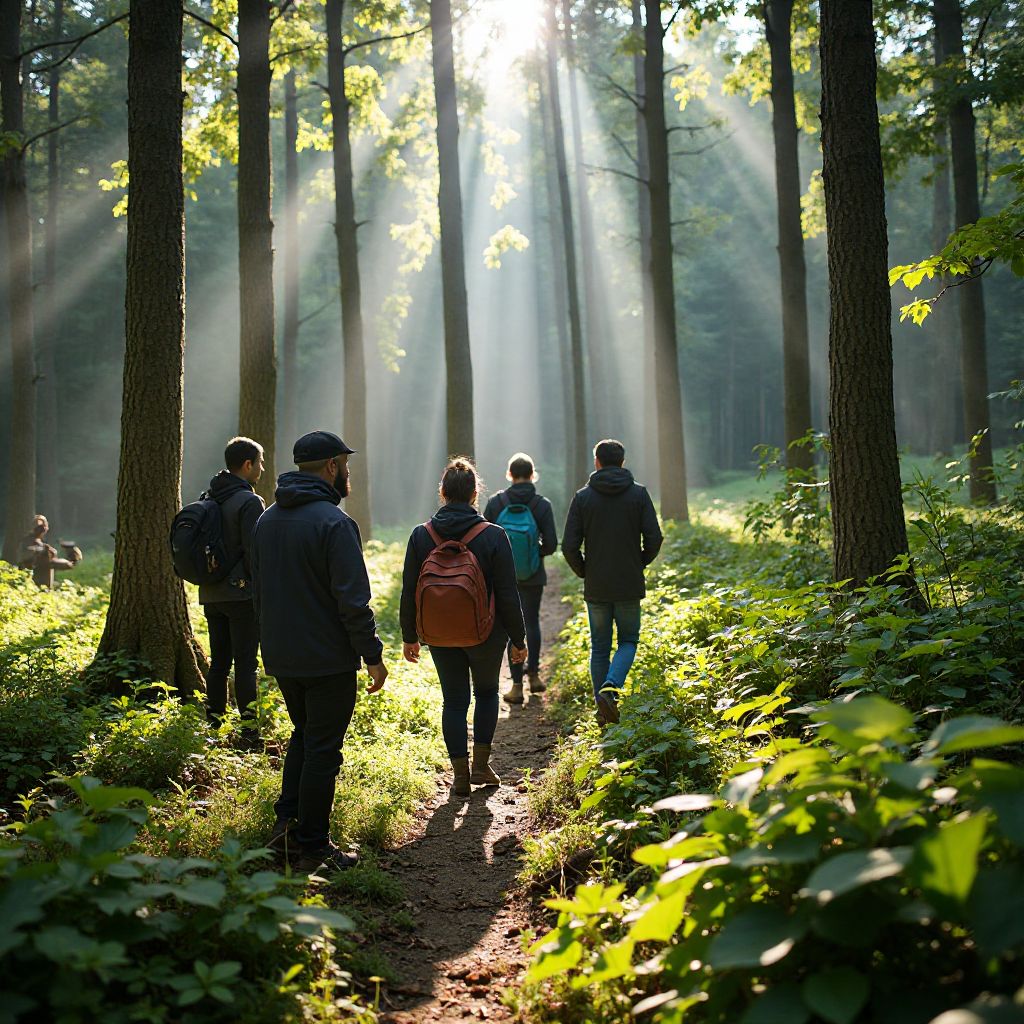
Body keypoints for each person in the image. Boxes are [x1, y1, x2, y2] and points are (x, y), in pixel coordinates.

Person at [251, 430, 388, 873]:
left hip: (283, 656)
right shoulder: (335, 523)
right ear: (331, 466)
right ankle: (312, 844)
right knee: (323, 749)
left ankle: (286, 826)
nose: (347, 472)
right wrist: (372, 655)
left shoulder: (266, 520)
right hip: (327, 659)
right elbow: (352, 600)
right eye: (344, 464)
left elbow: (259, 593)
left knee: (304, 737)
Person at [400, 458, 527, 797]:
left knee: (453, 701)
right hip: (487, 633)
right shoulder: (494, 536)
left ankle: (459, 776)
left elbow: (409, 588)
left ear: (442, 493)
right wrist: (518, 638)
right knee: (486, 693)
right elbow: (507, 593)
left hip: (439, 633)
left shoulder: (420, 535)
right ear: (474, 494)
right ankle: (481, 767)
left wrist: (409, 636)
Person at [562, 439, 663, 725]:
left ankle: (602, 709)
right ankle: (611, 690)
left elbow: (569, 545)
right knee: (628, 640)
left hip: (597, 585)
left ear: (597, 462)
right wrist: (638, 562)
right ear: (622, 461)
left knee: (599, 647)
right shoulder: (639, 495)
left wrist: (585, 571)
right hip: (629, 583)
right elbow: (654, 538)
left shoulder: (583, 498)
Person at [197, 437, 266, 746]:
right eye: (260, 463)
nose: (262, 469)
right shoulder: (250, 502)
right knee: (246, 665)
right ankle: (250, 733)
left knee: (219, 662)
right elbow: (254, 552)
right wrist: (261, 589)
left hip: (211, 593)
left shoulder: (209, 495)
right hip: (241, 595)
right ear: (247, 465)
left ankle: (214, 728)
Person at [483, 452, 558, 705]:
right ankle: (534, 676)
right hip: (534, 575)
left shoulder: (496, 503)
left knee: (509, 627)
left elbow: (485, 540)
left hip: (504, 579)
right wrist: (535, 556)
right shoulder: (541, 504)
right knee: (532, 622)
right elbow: (552, 544)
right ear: (532, 474)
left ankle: (516, 686)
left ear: (510, 475)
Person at [19, 515, 82, 588]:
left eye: (43, 526)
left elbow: (53, 562)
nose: (42, 529)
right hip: (35, 585)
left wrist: (71, 561)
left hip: (42, 585)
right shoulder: (30, 543)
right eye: (39, 527)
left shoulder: (42, 545)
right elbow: (28, 558)